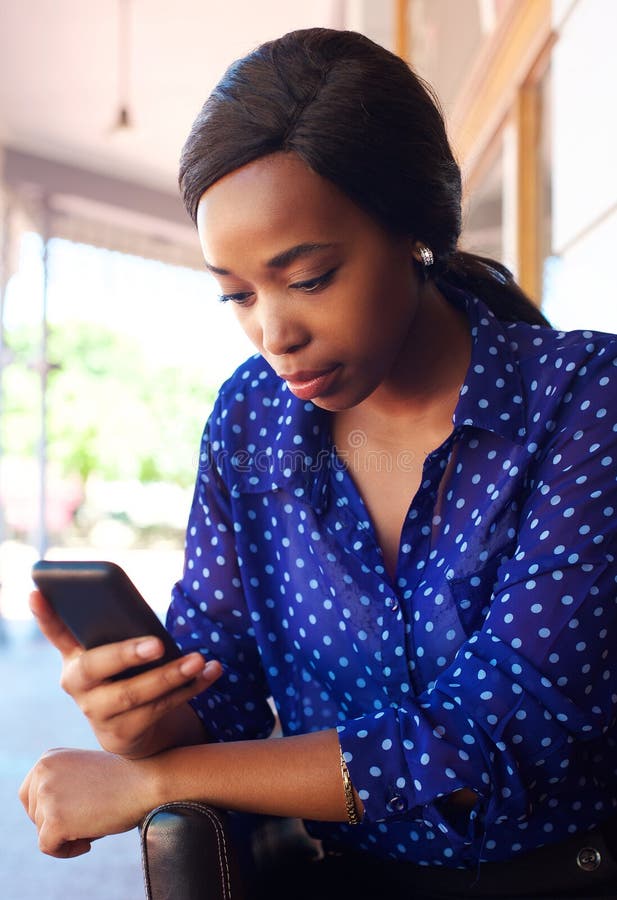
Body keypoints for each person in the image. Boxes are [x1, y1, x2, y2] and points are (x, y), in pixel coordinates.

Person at [20, 27, 617, 899]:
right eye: (235, 294)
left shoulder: (583, 400)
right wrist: (142, 716)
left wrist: (153, 782)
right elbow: (216, 689)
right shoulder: (250, 420)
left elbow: (492, 736)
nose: (273, 333)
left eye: (307, 278)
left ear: (414, 233)